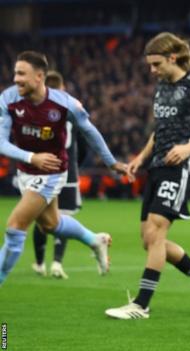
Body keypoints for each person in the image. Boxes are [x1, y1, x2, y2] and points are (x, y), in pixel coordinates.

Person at [105, 32, 190, 320]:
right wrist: (140, 158)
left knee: (157, 234)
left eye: (156, 64)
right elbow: (160, 129)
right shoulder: (161, 86)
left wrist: (189, 148)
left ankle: (142, 304)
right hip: (156, 168)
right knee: (149, 241)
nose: (152, 70)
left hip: (178, 169)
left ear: (173, 58)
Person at [0, 51, 129, 286]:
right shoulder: (8, 99)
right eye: (15, 73)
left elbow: (90, 131)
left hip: (52, 172)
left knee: (15, 225)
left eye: (21, 74)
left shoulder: (65, 104)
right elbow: (1, 142)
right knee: (51, 225)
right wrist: (32, 157)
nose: (15, 78)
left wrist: (112, 162)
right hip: (26, 170)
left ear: (39, 77)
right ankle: (94, 239)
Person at [31, 70, 85, 279]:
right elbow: (83, 145)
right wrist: (74, 167)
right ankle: (57, 263)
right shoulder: (70, 111)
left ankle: (39, 263)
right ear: (61, 88)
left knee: (41, 219)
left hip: (42, 172)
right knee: (63, 217)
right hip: (67, 174)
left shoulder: (36, 112)